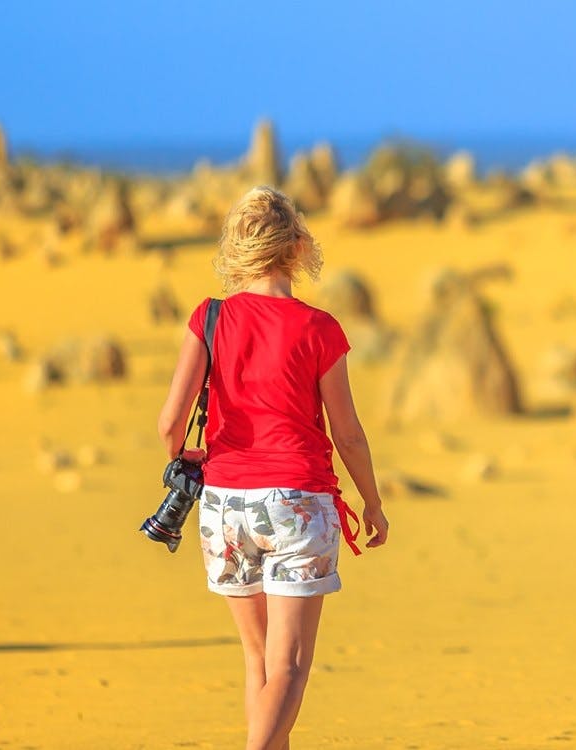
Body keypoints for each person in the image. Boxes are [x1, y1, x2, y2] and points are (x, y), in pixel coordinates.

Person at [156, 186, 389, 750]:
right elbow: (348, 434)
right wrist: (373, 503)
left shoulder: (209, 318)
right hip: (298, 504)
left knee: (259, 663)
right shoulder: (320, 329)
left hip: (224, 505)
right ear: (297, 248)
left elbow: (169, 423)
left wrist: (183, 461)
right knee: (290, 668)